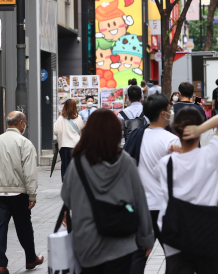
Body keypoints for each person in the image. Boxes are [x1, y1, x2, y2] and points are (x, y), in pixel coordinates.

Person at [61, 109, 155, 273]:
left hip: (87, 244)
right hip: (121, 243)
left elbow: (67, 197)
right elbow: (140, 201)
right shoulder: (126, 162)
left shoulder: (78, 164)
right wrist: (146, 238)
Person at [155, 109, 218, 273]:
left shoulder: (165, 163)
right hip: (207, 234)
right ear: (199, 131)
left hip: (176, 235)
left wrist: (176, 153)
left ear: (175, 131)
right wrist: (200, 128)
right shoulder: (210, 155)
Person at [0, 111, 43, 273]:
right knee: (24, 226)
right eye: (25, 123)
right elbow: (29, 172)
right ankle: (30, 259)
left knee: (0, 226)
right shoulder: (25, 143)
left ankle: (1, 265)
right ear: (21, 123)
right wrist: (32, 194)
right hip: (19, 193)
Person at [129, 94, 180, 274]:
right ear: (163, 114)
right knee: (175, 256)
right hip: (165, 208)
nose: (171, 112)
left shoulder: (135, 136)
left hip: (141, 207)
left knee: (138, 254)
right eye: (169, 110)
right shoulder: (171, 141)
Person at [54, 99, 85, 181]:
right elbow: (82, 131)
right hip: (76, 146)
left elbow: (56, 131)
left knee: (65, 166)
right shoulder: (78, 118)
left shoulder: (60, 118)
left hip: (64, 146)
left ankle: (66, 185)